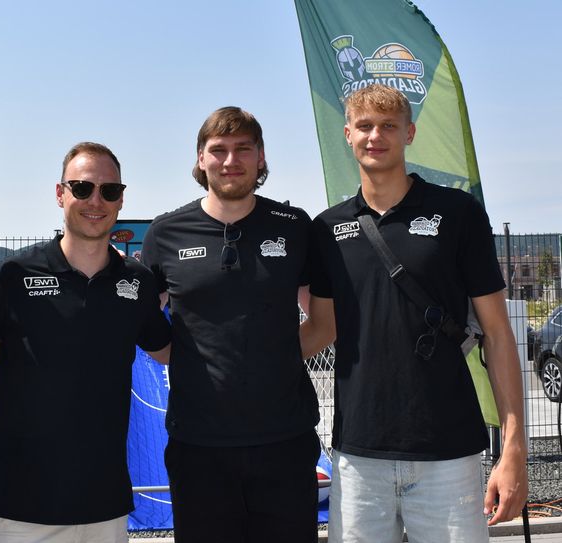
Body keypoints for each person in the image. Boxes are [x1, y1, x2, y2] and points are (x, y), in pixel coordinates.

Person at [301, 84, 528, 542]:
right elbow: (322, 330)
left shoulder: (458, 213)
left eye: (389, 126)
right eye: (364, 126)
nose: (375, 136)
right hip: (359, 456)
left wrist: (514, 449)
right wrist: (240, 354)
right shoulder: (326, 228)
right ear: (347, 134)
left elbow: (498, 334)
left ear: (410, 133)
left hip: (449, 455)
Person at [140, 107, 321, 542]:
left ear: (261, 157)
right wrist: (178, 355)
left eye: (243, 149)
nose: (230, 160)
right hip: (198, 445)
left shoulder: (294, 226)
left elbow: (323, 320)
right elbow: (144, 319)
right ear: (200, 159)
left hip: (285, 440)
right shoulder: (166, 232)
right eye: (217, 150)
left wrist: (273, 359)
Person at [0, 142, 171, 543]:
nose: (96, 201)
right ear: (60, 194)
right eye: (82, 188)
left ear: (122, 198)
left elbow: (170, 349)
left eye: (109, 190)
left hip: (104, 507)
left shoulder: (136, 283)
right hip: (22, 509)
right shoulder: (14, 275)